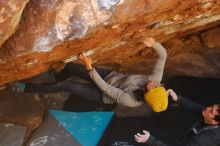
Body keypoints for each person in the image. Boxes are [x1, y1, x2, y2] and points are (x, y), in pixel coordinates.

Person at [10, 37, 170, 112]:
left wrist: (89, 67)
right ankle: (57, 76)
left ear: (148, 94)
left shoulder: (130, 100)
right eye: (158, 85)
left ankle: (27, 88)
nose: (155, 83)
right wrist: (153, 43)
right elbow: (163, 56)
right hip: (111, 76)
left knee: (65, 86)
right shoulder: (154, 81)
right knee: (72, 67)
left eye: (154, 87)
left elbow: (105, 88)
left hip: (101, 94)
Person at [134, 90, 220, 146]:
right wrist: (178, 99)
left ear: (215, 122)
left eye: (211, 111)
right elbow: (196, 109)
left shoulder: (203, 139)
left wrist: (150, 140)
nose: (207, 108)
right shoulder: (208, 116)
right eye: (211, 107)